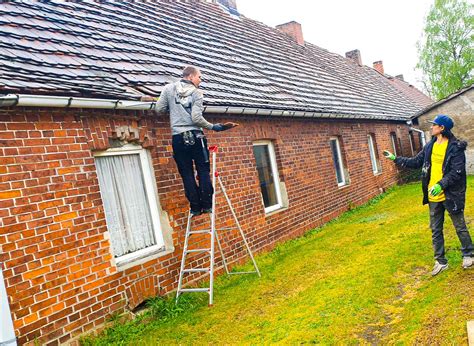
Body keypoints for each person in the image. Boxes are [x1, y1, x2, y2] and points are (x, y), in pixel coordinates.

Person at [383, 114, 473, 275]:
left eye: (434, 125)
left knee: (459, 226)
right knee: (435, 229)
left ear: (442, 128)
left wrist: (441, 185)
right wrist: (396, 159)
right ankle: (440, 261)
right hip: (433, 195)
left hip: (450, 194)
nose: (431, 127)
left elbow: (456, 173)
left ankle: (468, 254)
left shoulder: (455, 147)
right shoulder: (430, 146)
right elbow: (416, 162)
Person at [142, 66, 238, 216]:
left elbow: (159, 109)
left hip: (178, 138)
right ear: (191, 77)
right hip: (196, 137)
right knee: (203, 171)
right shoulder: (197, 93)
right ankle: (206, 205)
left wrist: (172, 106)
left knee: (186, 173)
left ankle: (195, 208)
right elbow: (196, 118)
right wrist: (215, 127)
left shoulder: (168, 89)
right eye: (199, 77)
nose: (200, 81)